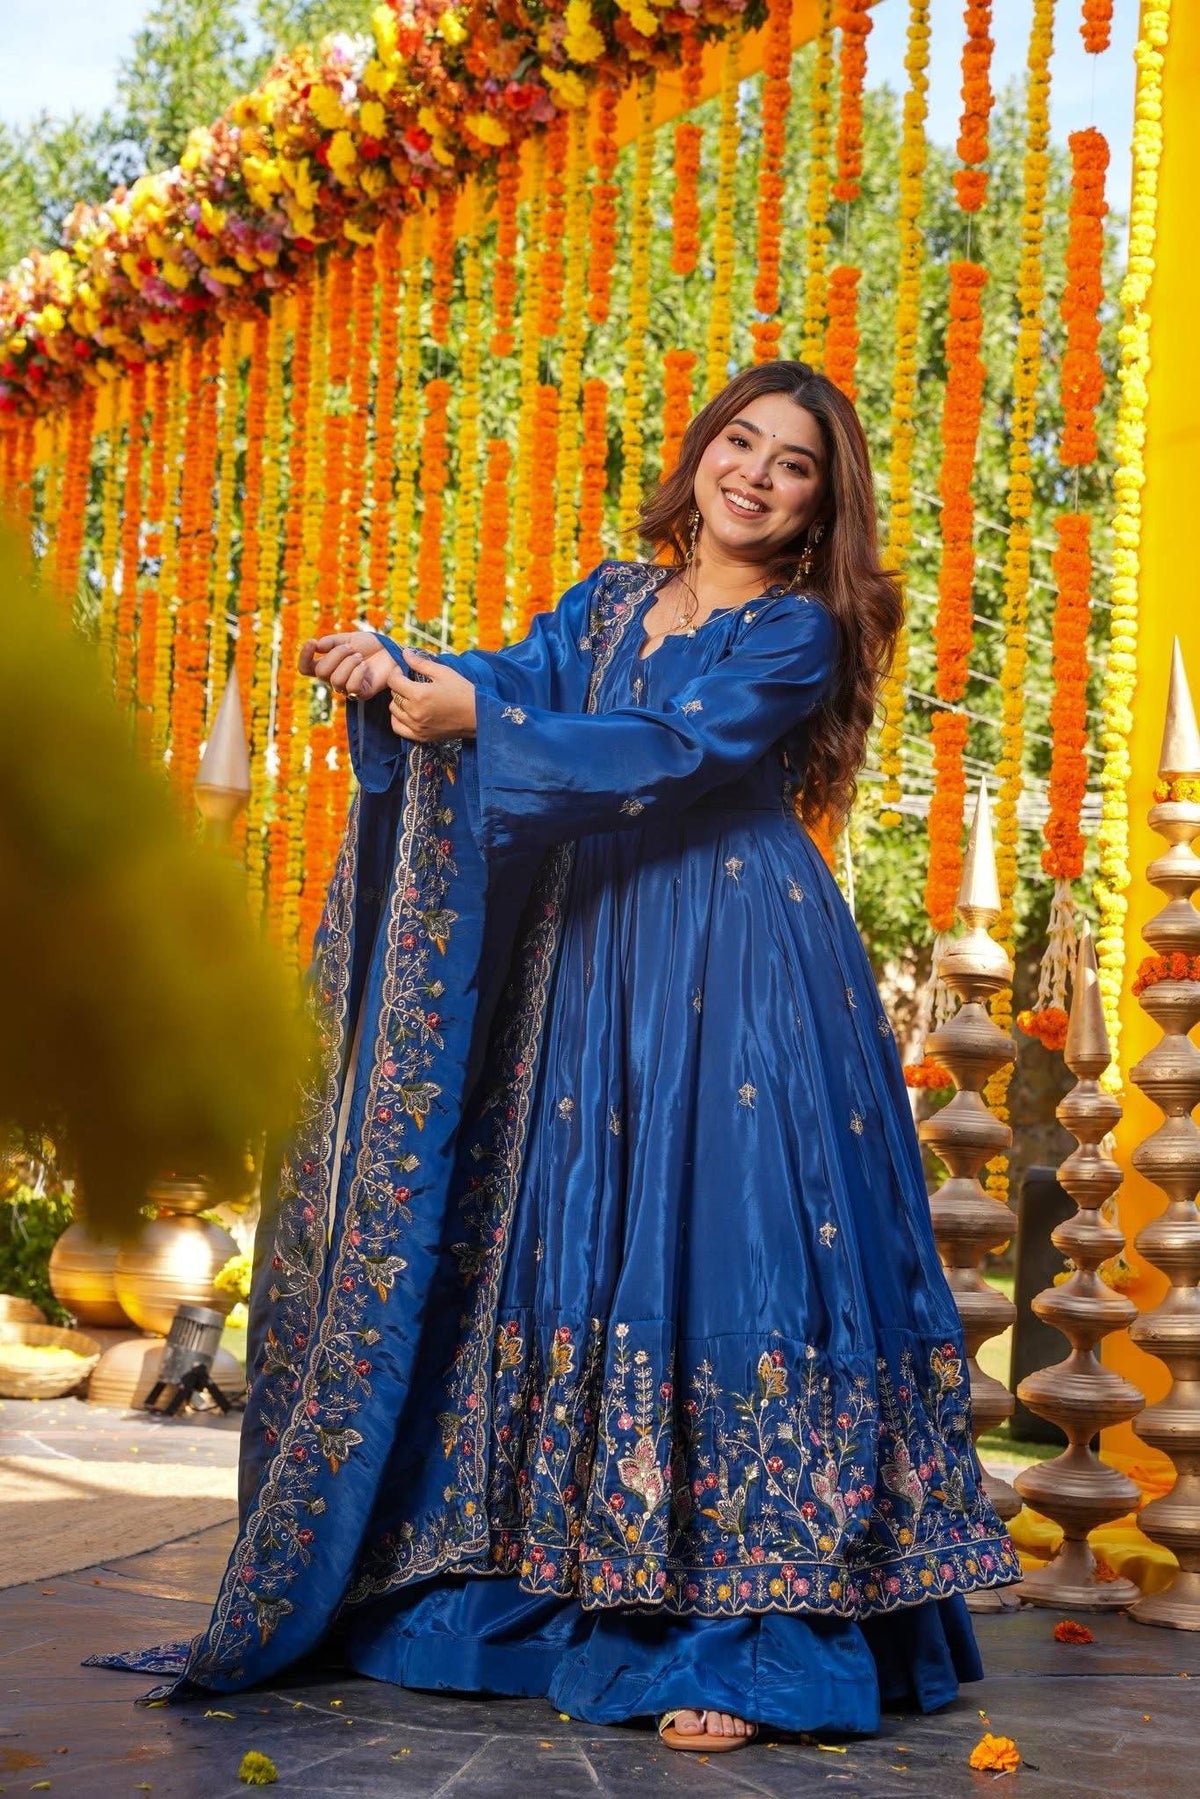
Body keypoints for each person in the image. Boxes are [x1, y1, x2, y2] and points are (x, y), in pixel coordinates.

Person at [90, 362, 1019, 1749]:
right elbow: (511, 685)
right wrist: (399, 674)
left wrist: (489, 720)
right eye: (739, 443)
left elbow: (668, 745)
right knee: (588, 1243)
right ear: (699, 455)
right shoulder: (605, 603)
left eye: (795, 465)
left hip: (740, 967)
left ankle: (745, 1631)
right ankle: (575, 1579)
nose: (754, 474)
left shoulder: (795, 634)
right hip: (594, 971)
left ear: (826, 507)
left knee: (731, 1247)